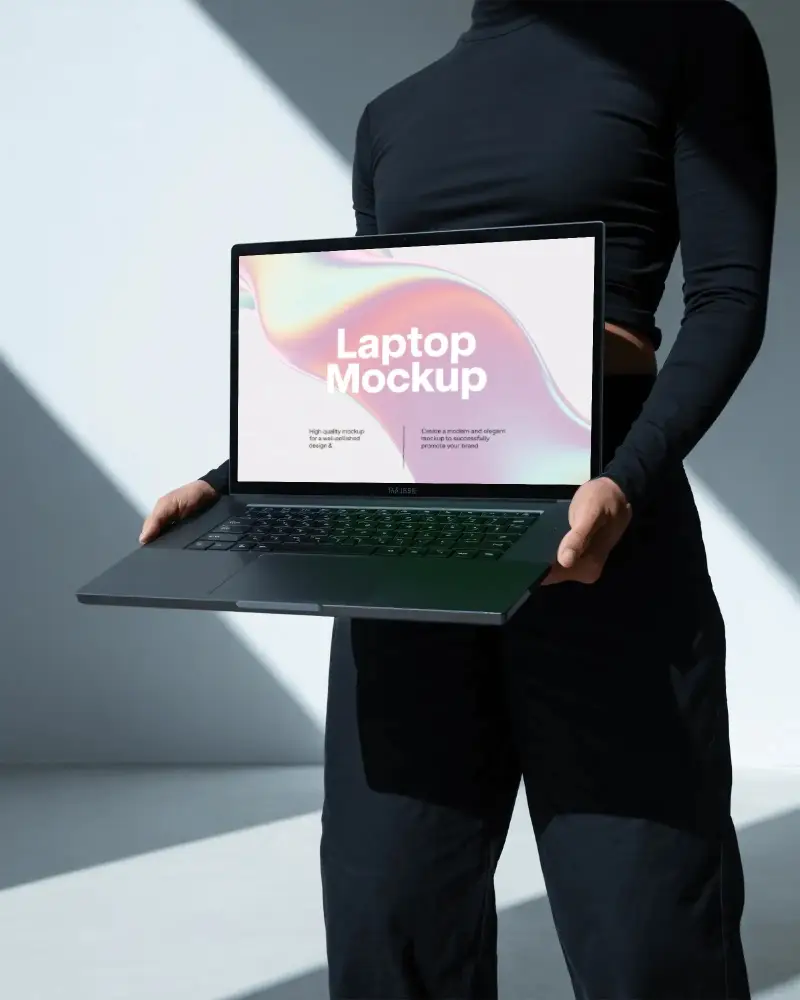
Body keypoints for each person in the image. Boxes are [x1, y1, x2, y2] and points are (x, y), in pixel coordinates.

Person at [141, 1, 776, 996]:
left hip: (598, 527)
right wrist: (231, 479)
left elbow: (728, 293)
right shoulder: (393, 115)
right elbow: (376, 350)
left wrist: (625, 479)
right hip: (403, 539)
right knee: (388, 918)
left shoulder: (687, 36)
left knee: (647, 929)